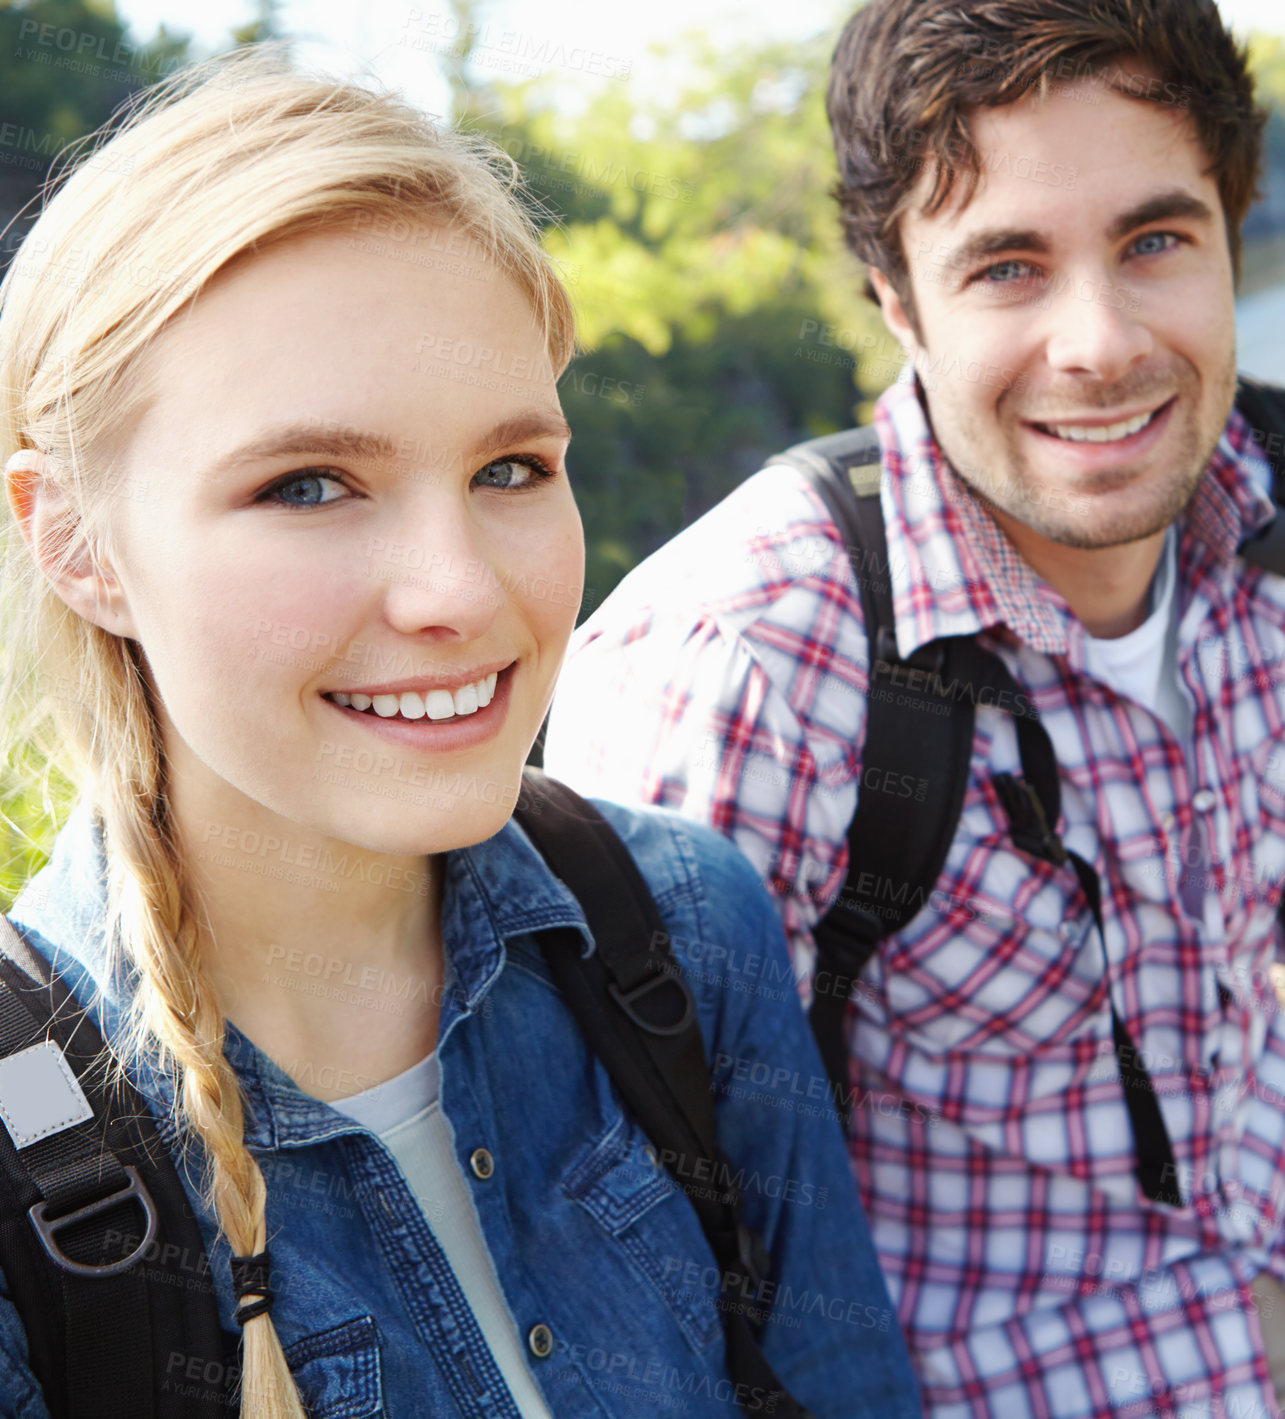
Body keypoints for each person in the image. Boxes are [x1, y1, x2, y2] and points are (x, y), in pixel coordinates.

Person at [0, 50, 921, 1419]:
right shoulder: (30, 1149)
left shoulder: (679, 927)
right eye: (309, 485)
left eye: (510, 470)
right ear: (75, 541)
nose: (463, 591)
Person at [543, 2, 1285, 1416]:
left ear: (1231, 233)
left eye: (1154, 240)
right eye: (1007, 265)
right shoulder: (752, 662)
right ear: (897, 298)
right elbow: (632, 1242)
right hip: (991, 1371)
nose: (1100, 343)